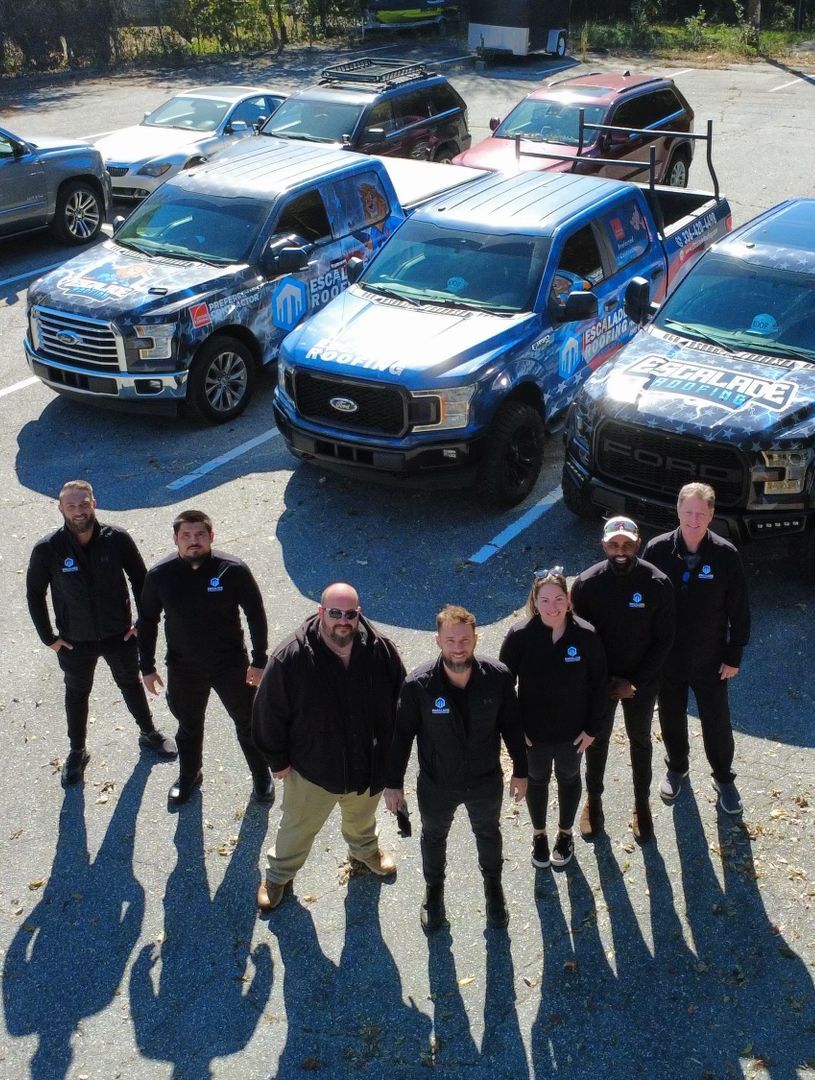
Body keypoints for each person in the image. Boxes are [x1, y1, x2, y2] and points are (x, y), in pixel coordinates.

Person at [252, 583, 405, 912]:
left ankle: (365, 852)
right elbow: (267, 712)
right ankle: (278, 875)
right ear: (321, 613)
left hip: (366, 766)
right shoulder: (290, 657)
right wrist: (277, 761)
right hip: (313, 770)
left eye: (350, 614)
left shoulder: (380, 650)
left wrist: (393, 756)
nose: (343, 621)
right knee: (296, 827)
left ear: (358, 615)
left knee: (362, 820)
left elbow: (401, 701)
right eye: (335, 613)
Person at [384, 605, 528, 932]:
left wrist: (521, 770)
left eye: (465, 639)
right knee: (434, 836)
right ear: (438, 641)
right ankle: (434, 892)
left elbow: (513, 727)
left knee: (488, 833)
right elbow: (401, 736)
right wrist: (393, 783)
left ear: (476, 639)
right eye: (450, 639)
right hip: (437, 784)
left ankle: (494, 889)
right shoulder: (418, 685)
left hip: (485, 781)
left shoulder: (498, 678)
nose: (458, 646)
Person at [26, 480, 176, 786]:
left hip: (118, 634)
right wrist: (49, 637)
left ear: (94, 504)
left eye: (84, 504)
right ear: (61, 509)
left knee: (130, 683)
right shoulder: (48, 549)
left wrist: (142, 621)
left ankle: (148, 732)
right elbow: (34, 593)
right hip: (74, 641)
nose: (78, 511)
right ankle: (77, 751)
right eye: (71, 506)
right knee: (76, 695)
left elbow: (141, 580)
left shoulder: (117, 539)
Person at [137, 509, 274, 808]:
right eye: (186, 535)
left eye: (200, 534)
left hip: (231, 665)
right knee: (188, 726)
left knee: (247, 723)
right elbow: (147, 621)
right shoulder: (160, 575)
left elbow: (255, 613)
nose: (193, 541)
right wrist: (146, 666)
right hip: (184, 667)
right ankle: (189, 776)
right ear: (175, 539)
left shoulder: (233, 569)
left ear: (211, 536)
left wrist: (259, 659)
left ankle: (261, 776)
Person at [644, 483, 751, 815]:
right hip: (669, 659)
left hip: (711, 659)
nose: (693, 520)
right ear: (677, 510)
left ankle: (724, 779)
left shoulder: (726, 555)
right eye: (688, 512)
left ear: (711, 515)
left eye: (700, 514)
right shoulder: (657, 550)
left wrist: (734, 655)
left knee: (717, 722)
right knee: (671, 716)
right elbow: (644, 606)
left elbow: (740, 611)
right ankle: (677, 768)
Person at [571, 517, 675, 844]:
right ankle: (594, 800)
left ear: (638, 543)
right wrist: (601, 682)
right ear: (604, 545)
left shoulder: (657, 584)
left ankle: (641, 804)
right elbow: (581, 639)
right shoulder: (586, 585)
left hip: (640, 683)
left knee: (640, 740)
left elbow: (664, 640)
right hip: (600, 683)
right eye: (614, 545)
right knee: (596, 741)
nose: (621, 551)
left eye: (627, 545)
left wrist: (636, 683)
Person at [500, 568, 608, 870]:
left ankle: (564, 834)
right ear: (535, 601)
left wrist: (592, 729)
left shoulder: (585, 634)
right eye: (545, 600)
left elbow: (600, 684)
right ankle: (539, 835)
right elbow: (503, 687)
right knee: (537, 779)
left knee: (569, 778)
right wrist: (515, 729)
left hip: (573, 732)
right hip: (533, 733)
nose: (553, 606)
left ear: (569, 600)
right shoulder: (520, 635)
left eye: (559, 599)